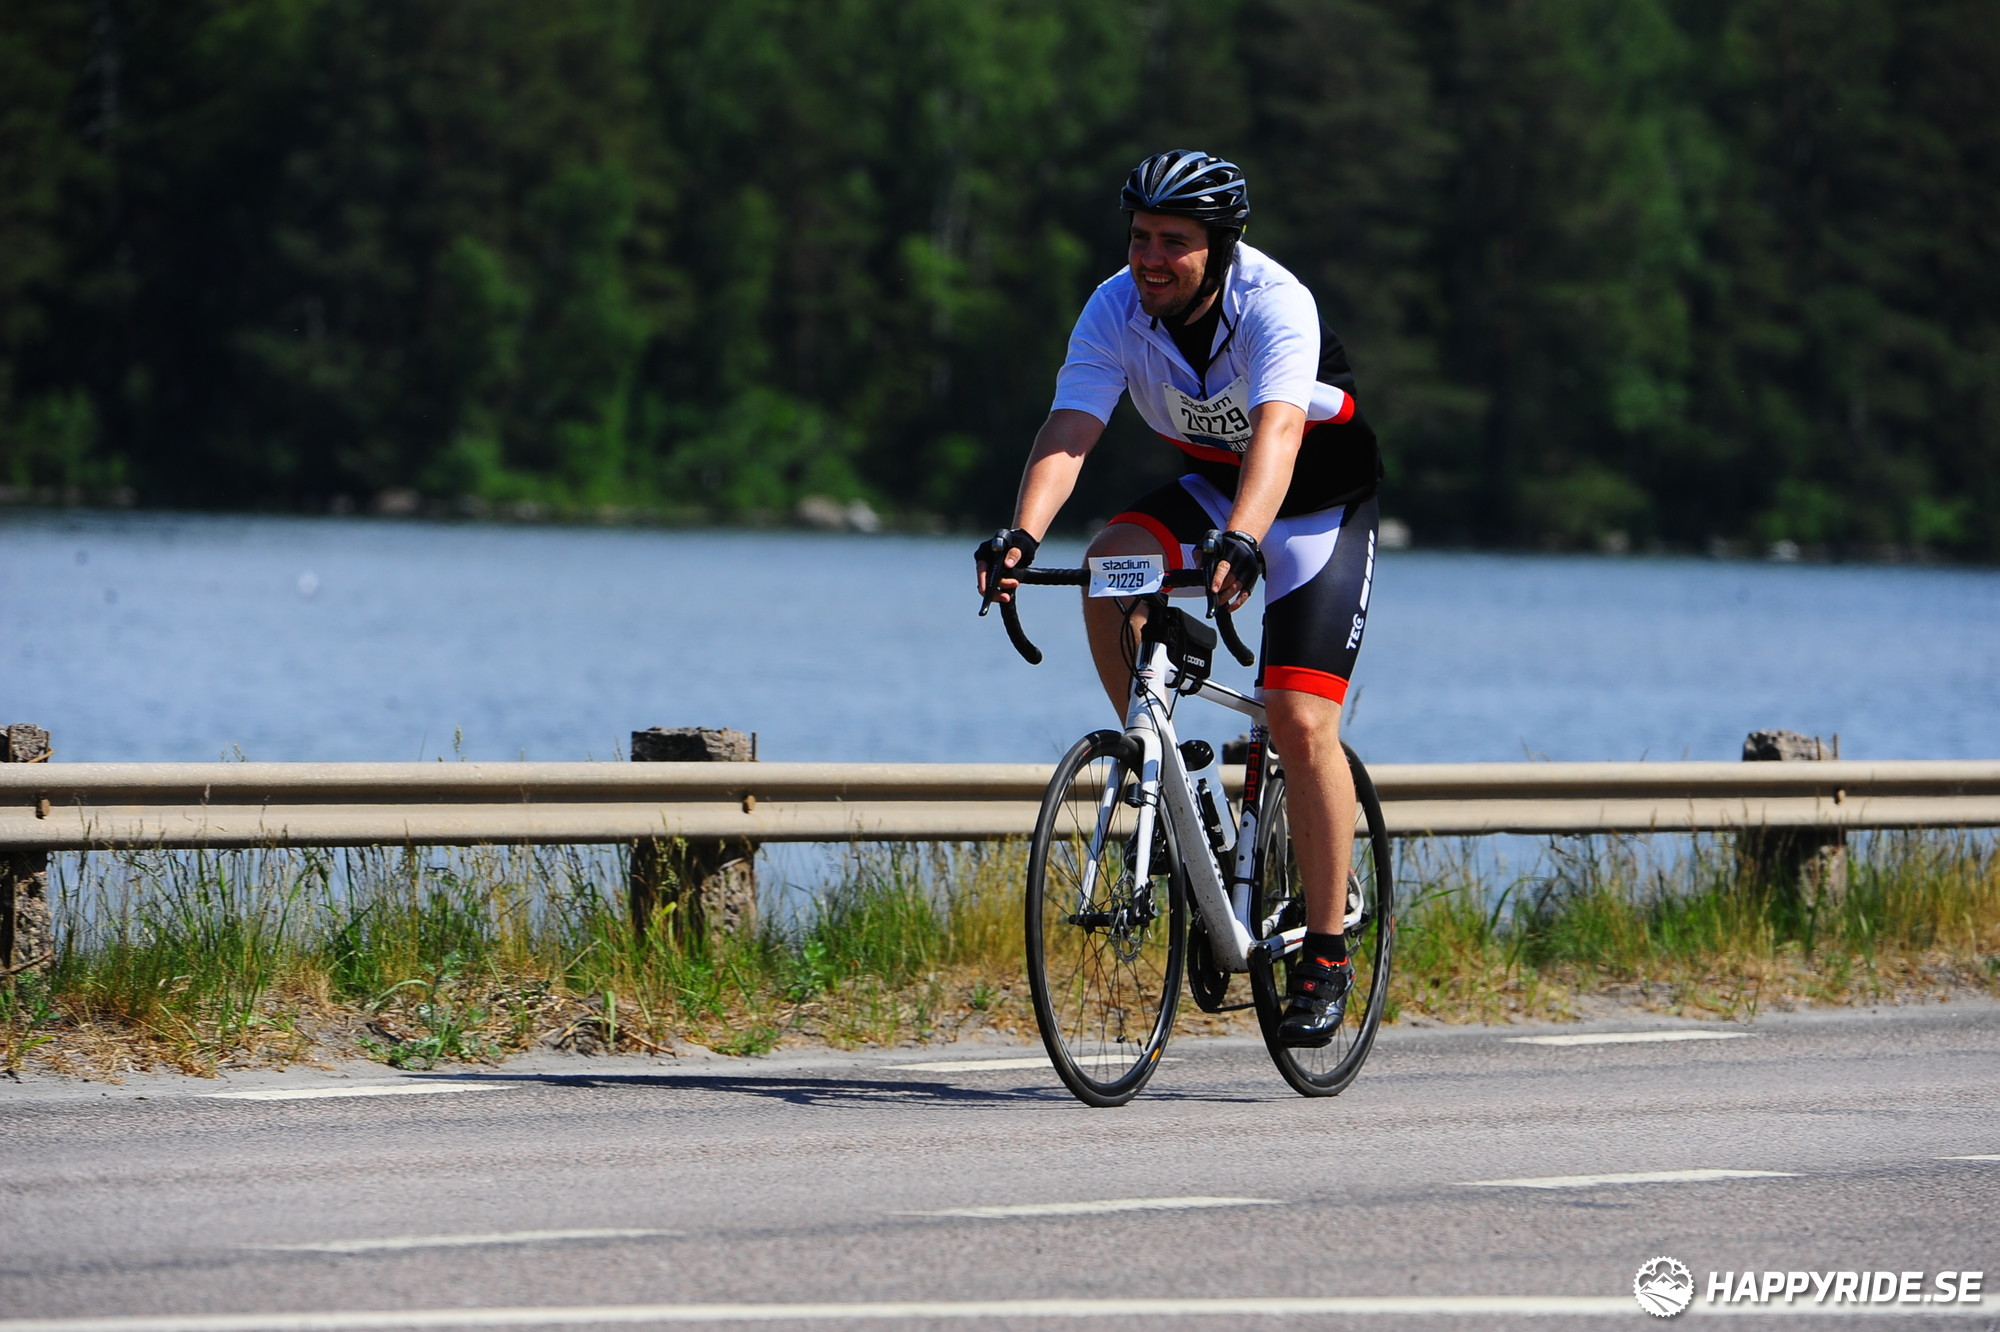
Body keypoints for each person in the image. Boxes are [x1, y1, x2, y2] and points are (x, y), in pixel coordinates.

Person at [975, 149, 1382, 1046]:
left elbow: (1278, 433)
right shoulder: (1114, 306)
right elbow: (1072, 428)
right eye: (1139, 237)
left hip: (1315, 506)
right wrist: (1022, 536)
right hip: (1214, 493)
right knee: (1108, 568)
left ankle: (1325, 950)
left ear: (1222, 246)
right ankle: (1165, 777)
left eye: (1173, 242)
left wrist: (1244, 539)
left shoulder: (1274, 303)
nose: (1149, 260)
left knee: (1298, 719)